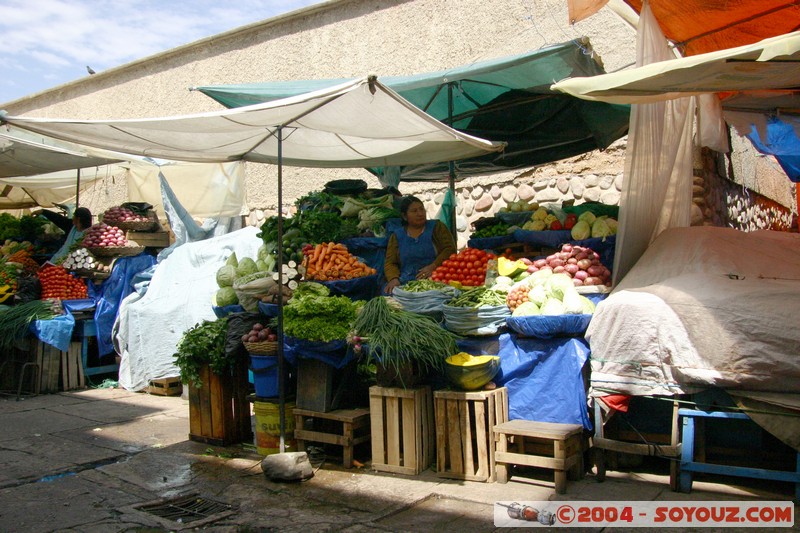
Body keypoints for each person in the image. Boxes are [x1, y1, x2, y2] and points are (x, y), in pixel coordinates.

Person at [383, 196, 456, 294]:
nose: (420, 213)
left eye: (422, 209)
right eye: (414, 211)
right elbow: (390, 262)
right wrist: (393, 278)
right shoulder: (397, 236)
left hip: (436, 279)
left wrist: (433, 266)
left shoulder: (437, 227)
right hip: (406, 282)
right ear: (405, 216)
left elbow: (449, 249)